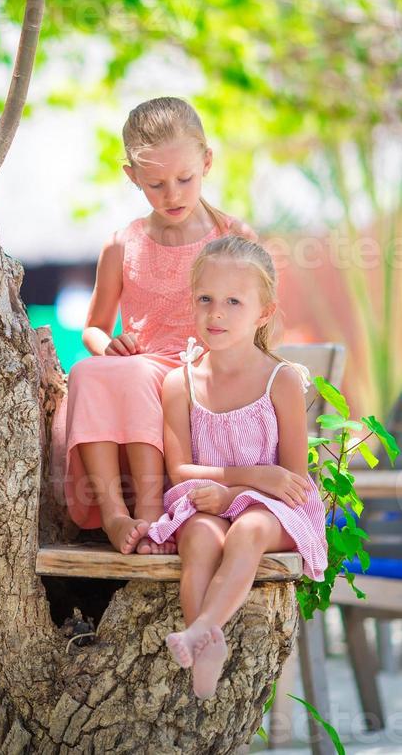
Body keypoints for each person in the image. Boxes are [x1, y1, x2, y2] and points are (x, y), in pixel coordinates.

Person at [58, 96, 254, 555]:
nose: (173, 195)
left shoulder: (232, 238)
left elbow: (260, 322)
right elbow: (94, 328)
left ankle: (150, 510)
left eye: (185, 179)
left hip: (203, 370)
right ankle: (112, 512)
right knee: (88, 371)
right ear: (132, 177)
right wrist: (107, 345)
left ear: (206, 161)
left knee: (145, 375)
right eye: (155, 184)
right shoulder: (122, 244)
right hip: (140, 364)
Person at [147, 235, 328, 699]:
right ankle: (207, 648)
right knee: (199, 536)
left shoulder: (280, 380)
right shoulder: (179, 382)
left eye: (233, 301)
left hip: (273, 511)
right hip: (207, 501)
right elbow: (180, 469)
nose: (216, 314)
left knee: (246, 529)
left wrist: (242, 491)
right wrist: (237, 483)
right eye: (205, 299)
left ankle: (200, 629)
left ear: (263, 312)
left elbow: (292, 482)